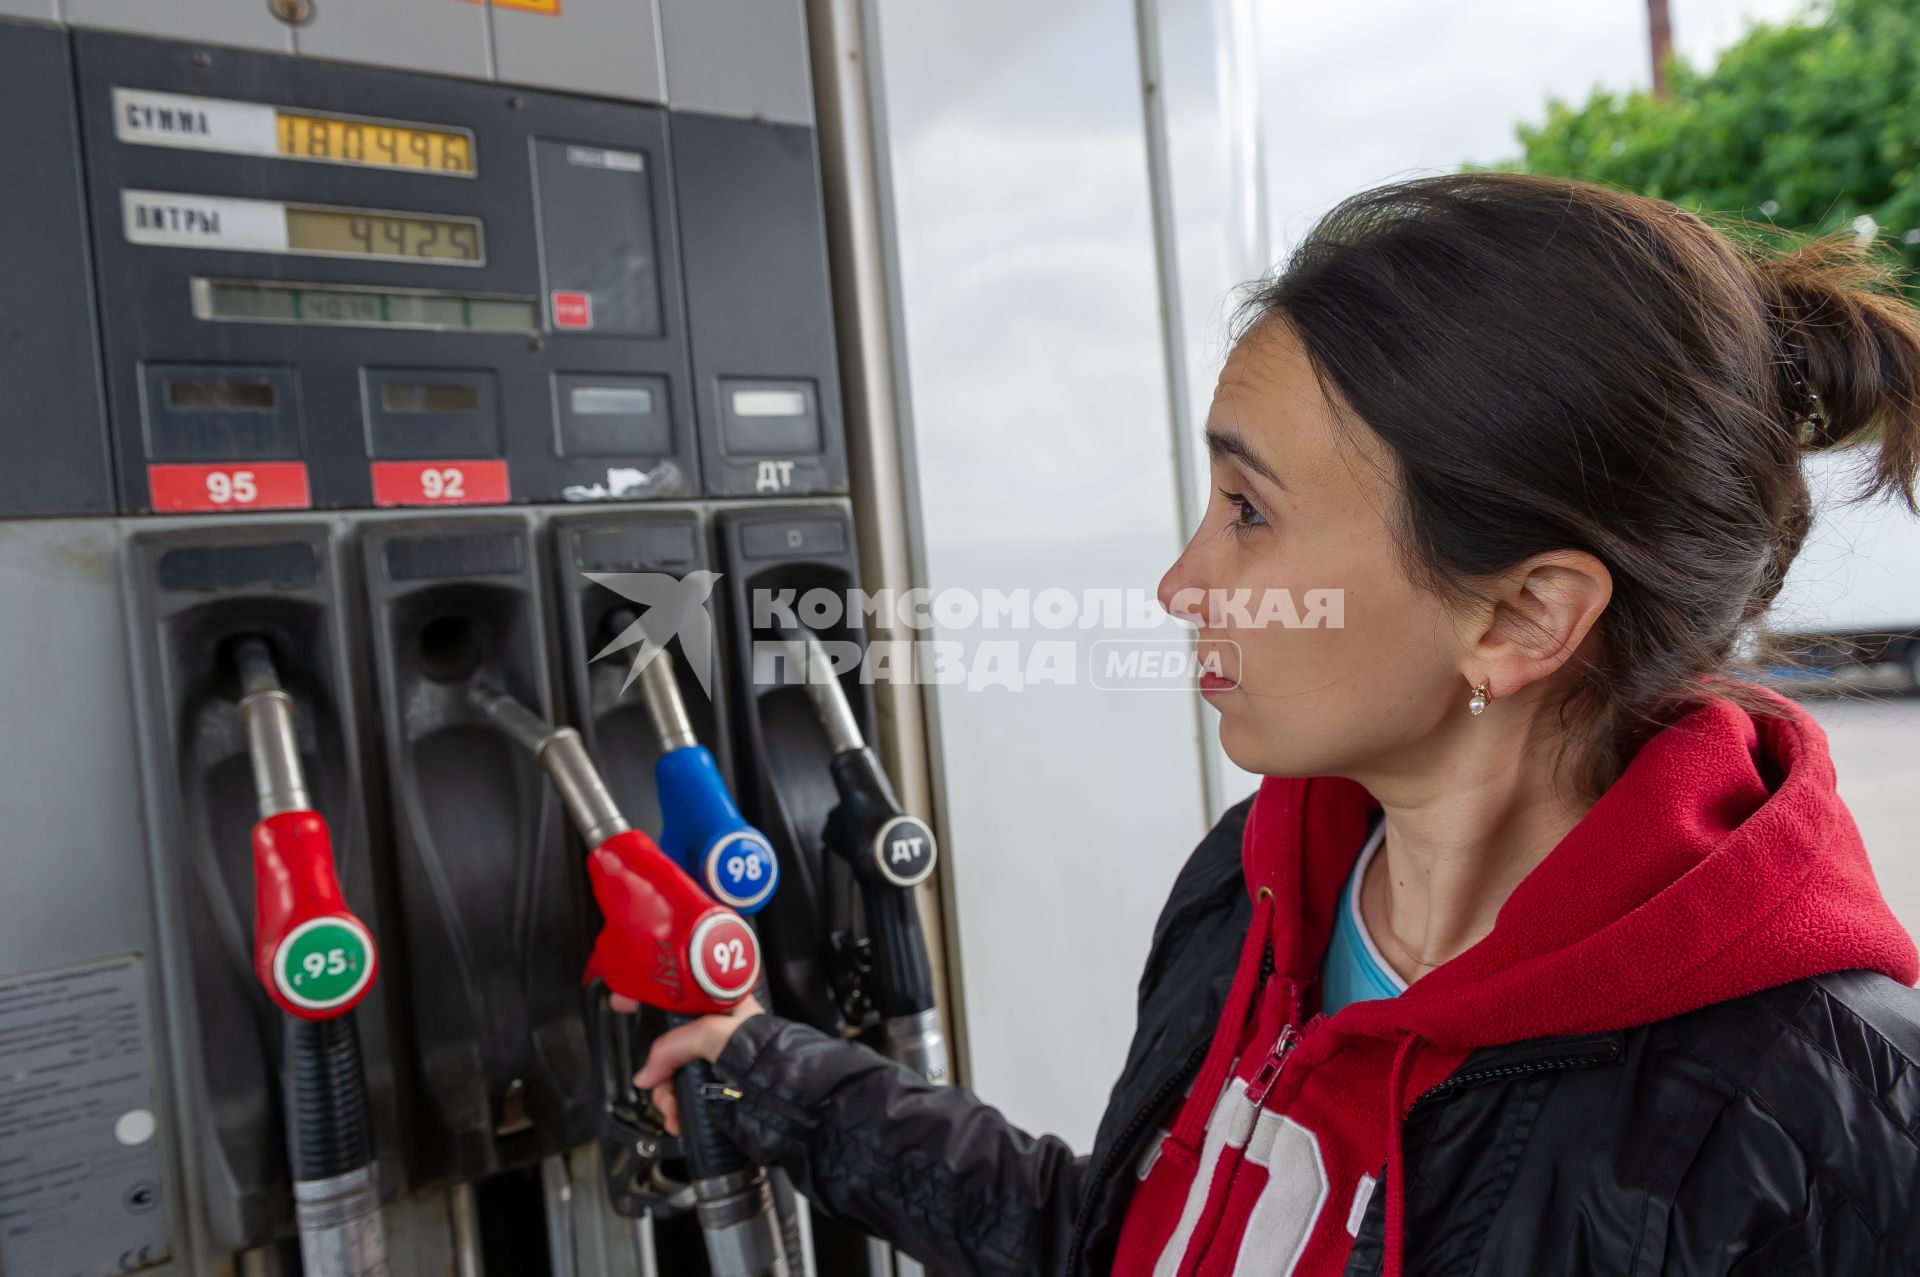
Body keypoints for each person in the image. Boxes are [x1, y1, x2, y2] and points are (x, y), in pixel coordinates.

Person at [622, 173, 1920, 1276]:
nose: (1181, 582)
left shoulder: (1814, 1120)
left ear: (1520, 618)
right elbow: (1134, 1239)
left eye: (1250, 512)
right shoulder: (1255, 891)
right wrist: (783, 1083)